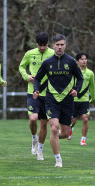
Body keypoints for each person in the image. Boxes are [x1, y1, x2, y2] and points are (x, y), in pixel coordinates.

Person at [33, 34, 84, 167]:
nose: (60, 47)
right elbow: (37, 78)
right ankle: (58, 159)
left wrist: (76, 90)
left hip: (67, 100)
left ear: (65, 46)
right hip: (51, 99)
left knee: (66, 133)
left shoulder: (71, 61)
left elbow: (80, 78)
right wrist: (36, 89)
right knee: (54, 128)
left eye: (62, 45)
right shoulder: (47, 62)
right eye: (57, 45)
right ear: (53, 46)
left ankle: (49, 140)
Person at [18, 32, 54, 160]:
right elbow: (21, 67)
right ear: (36, 44)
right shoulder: (30, 54)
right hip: (32, 92)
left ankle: (40, 150)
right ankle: (34, 139)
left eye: (45, 45)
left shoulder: (53, 54)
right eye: (40, 45)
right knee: (33, 119)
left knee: (44, 122)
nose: (42, 48)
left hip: (48, 93)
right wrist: (26, 76)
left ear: (48, 43)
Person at [68, 53, 95, 146]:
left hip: (84, 100)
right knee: (73, 121)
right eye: (82, 59)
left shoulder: (90, 73)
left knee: (85, 119)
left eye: (85, 59)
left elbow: (92, 86)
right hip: (74, 100)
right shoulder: (73, 72)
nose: (84, 61)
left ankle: (83, 139)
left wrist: (93, 97)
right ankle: (70, 130)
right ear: (77, 61)